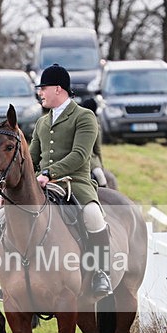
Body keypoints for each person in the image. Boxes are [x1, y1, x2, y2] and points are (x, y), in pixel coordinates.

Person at [31, 64, 112, 296]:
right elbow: (31, 159)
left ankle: (100, 272)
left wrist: (48, 173)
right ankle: (6, 275)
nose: (40, 93)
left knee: (93, 216)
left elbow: (80, 155)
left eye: (43, 88)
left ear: (58, 89)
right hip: (42, 186)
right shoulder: (41, 123)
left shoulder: (84, 117)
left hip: (74, 184)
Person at [78, 98, 112, 188]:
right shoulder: (78, 122)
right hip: (78, 159)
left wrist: (100, 164)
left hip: (91, 161)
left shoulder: (95, 125)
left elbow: (97, 148)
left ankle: (105, 192)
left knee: (100, 176)